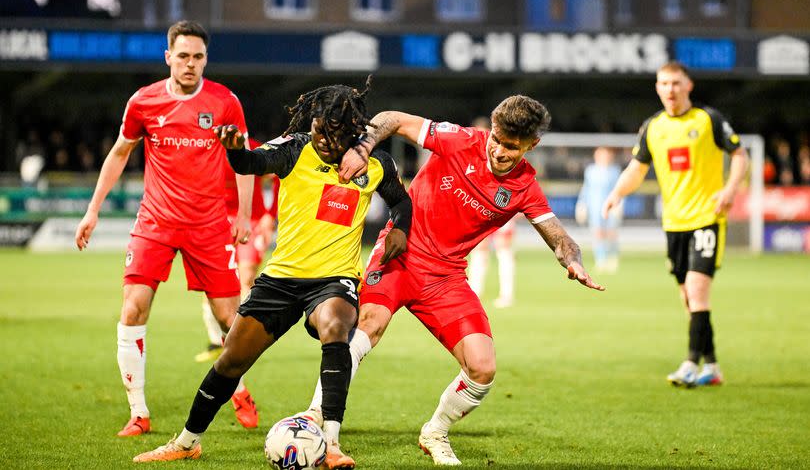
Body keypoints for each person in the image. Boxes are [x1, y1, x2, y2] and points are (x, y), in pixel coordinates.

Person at [308, 95, 604, 466]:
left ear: (532, 145)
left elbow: (559, 237)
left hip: (445, 277)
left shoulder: (525, 186)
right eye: (496, 139)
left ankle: (435, 431)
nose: (498, 151)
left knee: (483, 368)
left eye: (511, 147)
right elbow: (393, 118)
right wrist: (365, 146)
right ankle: (317, 419)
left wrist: (573, 261)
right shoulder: (460, 139)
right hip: (400, 253)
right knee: (367, 326)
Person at [132, 78, 412, 469]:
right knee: (230, 360)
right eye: (316, 128)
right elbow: (252, 163)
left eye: (330, 134)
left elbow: (402, 202)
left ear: (350, 133)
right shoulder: (295, 149)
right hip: (281, 279)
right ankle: (186, 442)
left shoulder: (376, 165)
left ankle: (330, 444)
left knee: (334, 326)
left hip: (335, 279)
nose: (321, 139)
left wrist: (400, 227)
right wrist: (234, 152)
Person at [74, 20, 259, 436]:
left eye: (198, 57)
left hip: (209, 224)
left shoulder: (225, 102)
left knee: (231, 319)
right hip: (155, 221)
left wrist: (243, 216)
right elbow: (119, 154)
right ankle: (138, 412)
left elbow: (243, 160)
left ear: (205, 59)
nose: (190, 64)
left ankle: (240, 388)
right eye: (183, 56)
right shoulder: (144, 102)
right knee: (133, 308)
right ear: (168, 58)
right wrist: (93, 210)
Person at [602, 61, 749, 388]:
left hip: (706, 219)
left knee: (697, 289)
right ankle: (712, 366)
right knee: (689, 298)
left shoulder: (708, 119)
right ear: (657, 87)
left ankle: (689, 364)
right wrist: (616, 194)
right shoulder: (653, 127)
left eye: (676, 83)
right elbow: (637, 169)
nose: (670, 89)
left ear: (688, 85)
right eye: (664, 83)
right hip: (674, 224)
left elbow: (740, 155)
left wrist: (729, 189)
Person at [194, 139, 279, 363]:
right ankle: (216, 341)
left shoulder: (252, 146)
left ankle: (244, 338)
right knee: (212, 281)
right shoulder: (204, 149)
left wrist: (271, 214)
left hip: (252, 220)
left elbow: (279, 176)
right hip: (218, 222)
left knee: (247, 275)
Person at [467, 117, 518, 308]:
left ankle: (507, 294)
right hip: (479, 210)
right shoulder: (470, 157)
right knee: (479, 251)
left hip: (501, 210)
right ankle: (474, 293)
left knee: (504, 250)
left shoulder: (503, 155)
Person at [576, 147, 622, 273]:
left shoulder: (614, 171)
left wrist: (619, 205)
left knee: (611, 233)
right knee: (598, 233)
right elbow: (586, 189)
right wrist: (582, 204)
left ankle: (613, 258)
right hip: (595, 207)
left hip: (610, 206)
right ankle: (601, 260)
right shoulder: (591, 171)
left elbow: (619, 189)